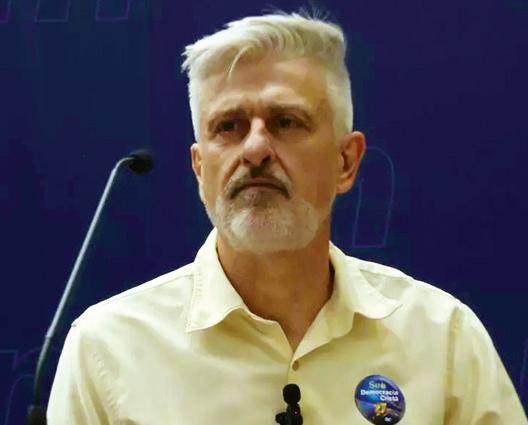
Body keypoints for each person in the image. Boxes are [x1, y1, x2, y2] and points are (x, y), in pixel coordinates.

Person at [47, 11, 527, 425]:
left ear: (346, 162)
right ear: (200, 169)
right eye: (228, 127)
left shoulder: (442, 339)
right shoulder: (108, 350)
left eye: (286, 122)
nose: (255, 149)